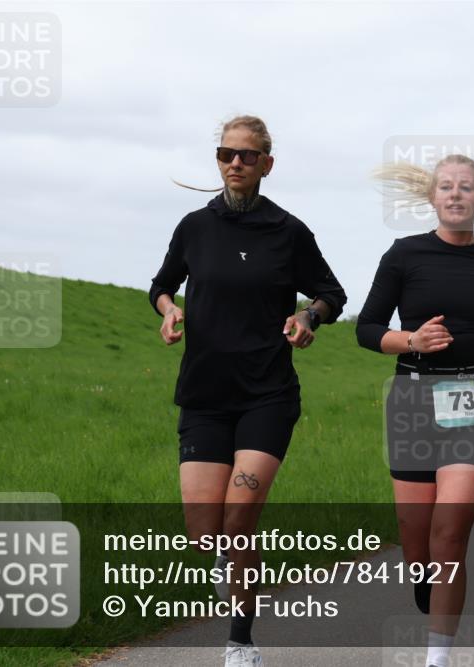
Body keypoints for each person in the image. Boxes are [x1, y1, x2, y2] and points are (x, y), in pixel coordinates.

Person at [149, 115, 347, 667]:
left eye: (247, 155)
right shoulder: (194, 226)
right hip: (205, 395)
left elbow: (332, 293)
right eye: (226, 154)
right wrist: (169, 311)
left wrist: (308, 316)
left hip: (267, 395)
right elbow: (162, 285)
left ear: (267, 164)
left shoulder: (288, 231)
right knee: (203, 533)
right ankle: (230, 564)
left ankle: (241, 643)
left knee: (239, 521)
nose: (235, 163)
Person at [356, 155, 474, 667]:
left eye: (466, 187)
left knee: (450, 533)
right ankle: (425, 579)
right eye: (446, 187)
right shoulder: (404, 255)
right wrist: (410, 340)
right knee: (416, 541)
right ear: (432, 197)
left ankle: (437, 658)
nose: (456, 194)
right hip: (413, 399)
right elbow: (367, 328)